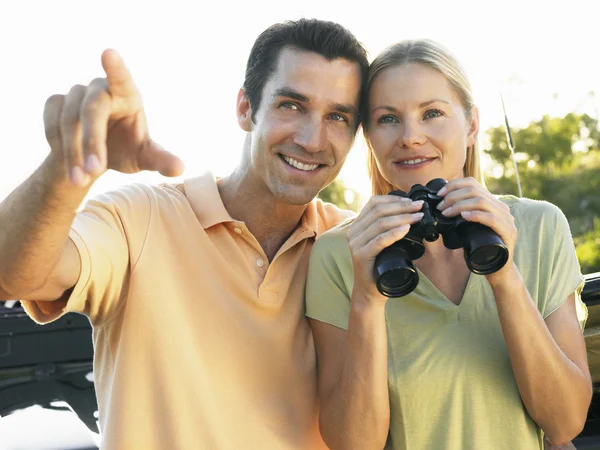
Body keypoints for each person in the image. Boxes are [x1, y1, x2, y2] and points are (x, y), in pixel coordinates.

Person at [0, 19, 369, 449]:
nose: (312, 138)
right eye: (291, 105)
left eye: (337, 116)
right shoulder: (138, 218)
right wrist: (69, 167)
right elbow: (16, 274)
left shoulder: (351, 245)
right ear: (245, 108)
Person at [305, 38, 592, 450]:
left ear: (472, 125)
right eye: (388, 119)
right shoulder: (339, 254)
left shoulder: (540, 225)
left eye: (432, 113)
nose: (410, 137)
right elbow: (354, 444)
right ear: (368, 137)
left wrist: (503, 273)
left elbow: (565, 423)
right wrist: (367, 300)